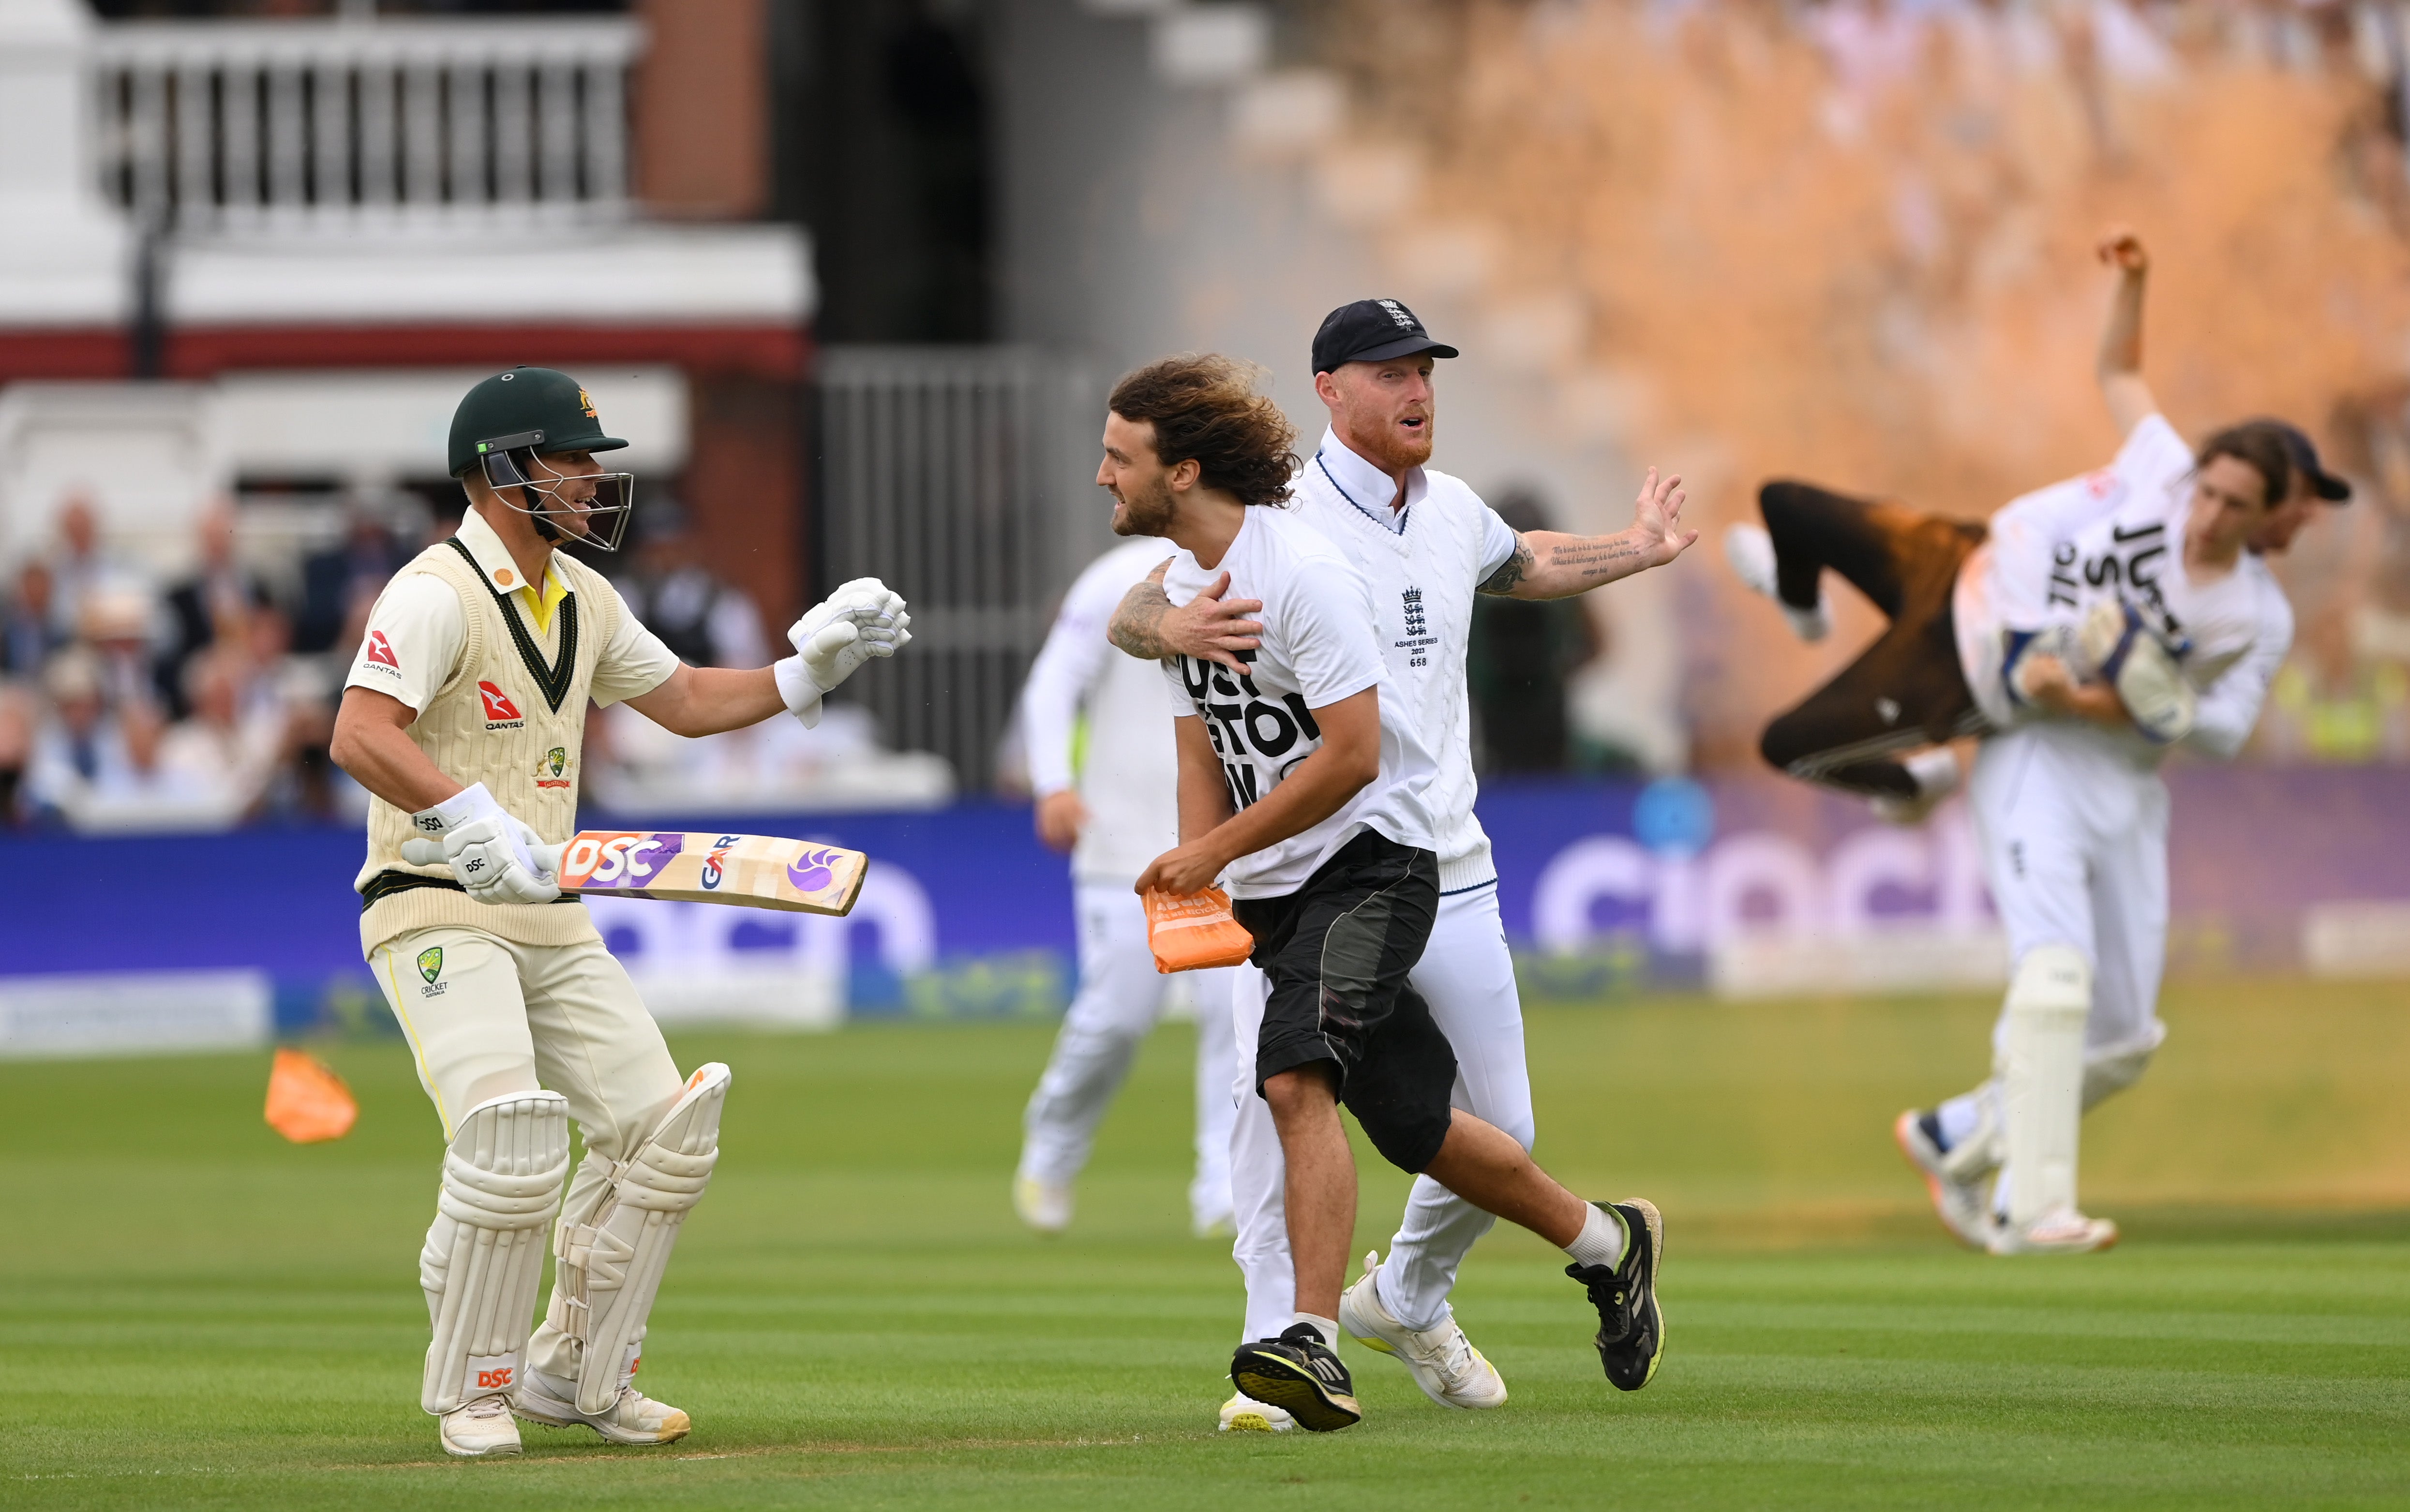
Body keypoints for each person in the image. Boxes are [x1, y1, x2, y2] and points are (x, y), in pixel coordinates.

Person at [1111, 301, 1694, 1431]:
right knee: (1277, 1096)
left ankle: (1408, 1297)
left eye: (1424, 368)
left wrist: (1641, 550)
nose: (1416, 387)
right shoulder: (1279, 511)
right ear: (1331, 391)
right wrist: (1164, 631)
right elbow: (1141, 603)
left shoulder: (1454, 509)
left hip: (1444, 862)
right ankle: (1276, 1362)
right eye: (1389, 372)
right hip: (1303, 866)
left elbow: (1525, 564)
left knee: (1490, 1131)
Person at [328, 366, 913, 1458]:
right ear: (504, 471)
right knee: (509, 1141)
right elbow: (360, 732)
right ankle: (475, 1388)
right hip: (433, 904)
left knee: (662, 1138)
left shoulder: (583, 597)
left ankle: (574, 1374)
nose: (595, 481)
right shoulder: (433, 591)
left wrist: (804, 669)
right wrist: (463, 813)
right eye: (571, 459)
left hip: (551, 910)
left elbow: (683, 700)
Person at [1724, 232, 2347, 1253]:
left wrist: (2125, 703)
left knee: (2122, 1038)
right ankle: (2032, 1205)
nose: (2208, 517)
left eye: (2237, 507)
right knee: (2054, 976)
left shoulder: (2251, 615)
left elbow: (2225, 732)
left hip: (2126, 787)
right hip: (2030, 760)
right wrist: (2137, 281)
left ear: (2271, 515)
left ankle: (1955, 1134)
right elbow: (2119, 370)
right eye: (2208, 492)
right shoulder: (2157, 472)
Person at [1010, 534, 1238, 1238]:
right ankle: (1052, 1147)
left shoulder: (1265, 564)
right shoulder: (1113, 575)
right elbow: (1053, 683)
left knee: (1236, 1018)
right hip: (1120, 844)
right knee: (1115, 1020)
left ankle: (1222, 1191)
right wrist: (1052, 782)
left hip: (1228, 844)